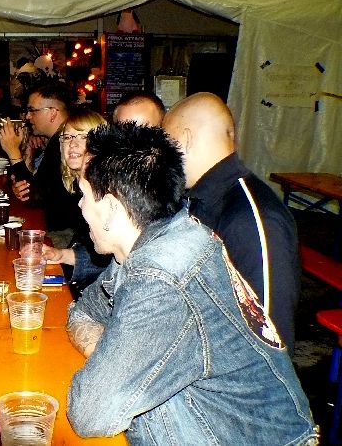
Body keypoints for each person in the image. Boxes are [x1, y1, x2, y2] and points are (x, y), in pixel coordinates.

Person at [66, 122, 317, 444]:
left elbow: (90, 413)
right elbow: (84, 310)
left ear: (112, 208)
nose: (80, 206)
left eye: (84, 195)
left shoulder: (162, 275)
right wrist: (108, 352)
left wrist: (114, 363)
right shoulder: (149, 242)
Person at [163, 92, 300, 352]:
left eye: (166, 143)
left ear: (185, 139)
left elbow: (272, 338)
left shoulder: (251, 217)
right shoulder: (199, 199)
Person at [37, 108, 112, 290]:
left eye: (83, 136)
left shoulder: (108, 192)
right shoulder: (81, 186)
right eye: (68, 137)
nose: (73, 144)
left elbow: (114, 263)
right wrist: (60, 255)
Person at [0, 83, 76, 241]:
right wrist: (26, 153)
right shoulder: (54, 140)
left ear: (52, 113)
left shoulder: (65, 143)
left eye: (32, 110)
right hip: (54, 228)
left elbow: (34, 197)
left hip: (64, 236)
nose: (28, 116)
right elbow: (33, 187)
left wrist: (13, 152)